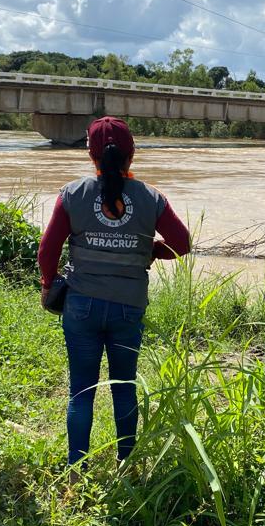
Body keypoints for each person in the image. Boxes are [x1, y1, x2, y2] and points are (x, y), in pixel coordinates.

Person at [37, 116, 190, 468]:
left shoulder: (72, 194)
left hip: (81, 307)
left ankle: (76, 470)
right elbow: (182, 244)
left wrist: (48, 286)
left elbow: (47, 251)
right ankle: (127, 465)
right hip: (128, 308)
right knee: (124, 389)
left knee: (81, 391)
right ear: (131, 155)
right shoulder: (152, 198)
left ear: (90, 155)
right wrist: (153, 250)